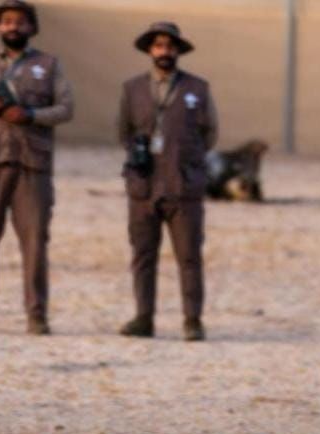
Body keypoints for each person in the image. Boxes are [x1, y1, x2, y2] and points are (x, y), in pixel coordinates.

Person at [0, 0, 73, 335]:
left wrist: (30, 115)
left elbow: (65, 108)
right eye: (6, 21)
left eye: (19, 21)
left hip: (32, 163)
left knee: (34, 241)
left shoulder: (49, 65)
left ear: (31, 27)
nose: (13, 27)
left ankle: (36, 314)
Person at [117, 22, 218, 341]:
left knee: (189, 255)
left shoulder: (198, 88)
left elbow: (210, 133)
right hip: (144, 184)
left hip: (183, 184)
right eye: (159, 45)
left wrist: (185, 157)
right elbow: (123, 131)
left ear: (178, 51)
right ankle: (143, 317)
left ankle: (192, 320)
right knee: (143, 255)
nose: (165, 51)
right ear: (150, 50)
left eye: (170, 46)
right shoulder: (132, 88)